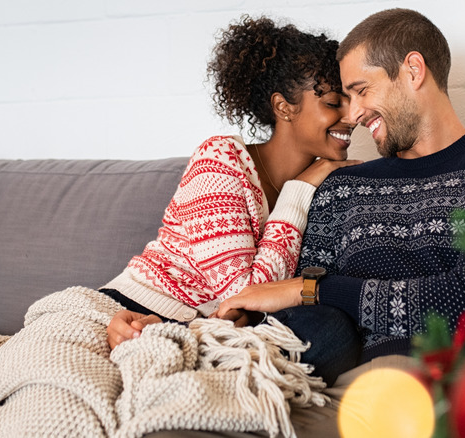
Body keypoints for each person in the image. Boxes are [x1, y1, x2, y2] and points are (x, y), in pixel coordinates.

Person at [216, 8, 465, 364]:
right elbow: (301, 312)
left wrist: (319, 290)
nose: (352, 115)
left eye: (361, 91)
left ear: (413, 71)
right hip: (362, 387)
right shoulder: (342, 188)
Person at [103, 15, 362, 384]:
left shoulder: (332, 183)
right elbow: (246, 294)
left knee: (331, 331)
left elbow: (256, 305)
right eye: (335, 102)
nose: (352, 117)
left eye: (352, 102)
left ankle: (201, 365)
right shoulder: (220, 160)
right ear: (284, 107)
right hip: (136, 309)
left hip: (206, 327)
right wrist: (299, 189)